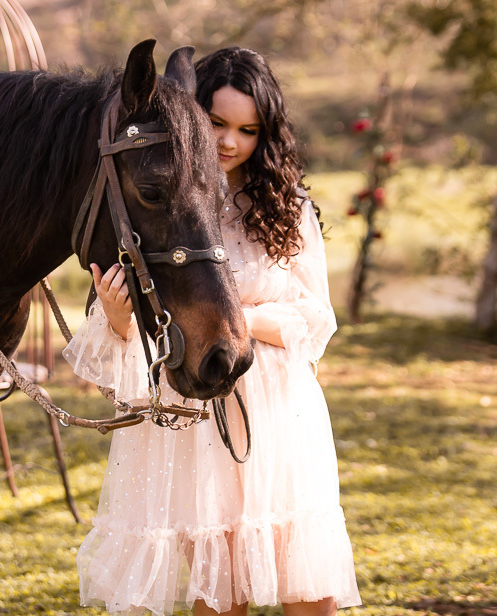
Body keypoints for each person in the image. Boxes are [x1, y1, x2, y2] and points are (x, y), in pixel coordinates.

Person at [64, 47, 361, 616]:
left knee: (309, 589)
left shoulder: (284, 207)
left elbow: (313, 319)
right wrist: (119, 316)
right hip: (196, 417)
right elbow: (130, 341)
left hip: (277, 413)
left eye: (247, 130)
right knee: (220, 594)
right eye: (217, 123)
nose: (229, 142)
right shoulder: (167, 206)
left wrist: (234, 322)